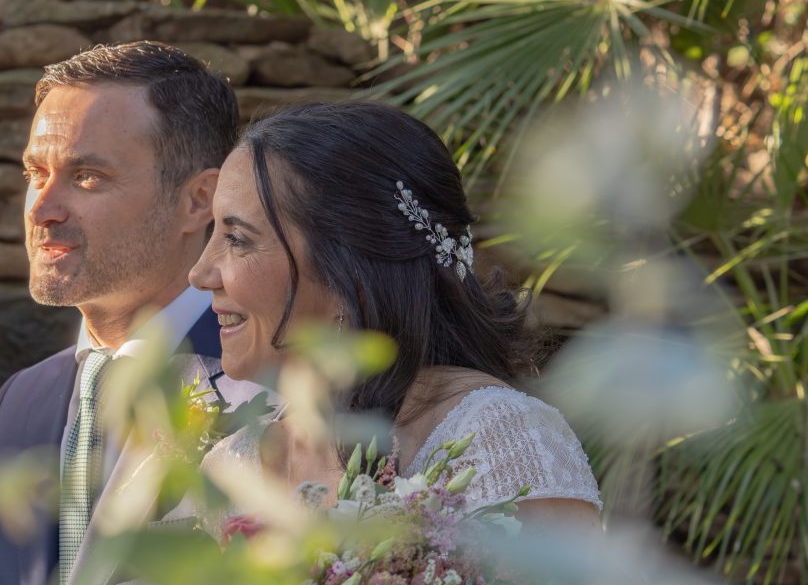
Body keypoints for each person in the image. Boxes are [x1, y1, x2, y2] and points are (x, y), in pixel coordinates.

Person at [0, 42, 263, 585]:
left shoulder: (266, 393)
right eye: (35, 173)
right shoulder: (18, 404)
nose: (41, 208)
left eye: (86, 176)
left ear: (199, 200)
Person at [187, 100, 602, 530]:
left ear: (345, 272)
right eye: (213, 233)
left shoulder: (499, 443)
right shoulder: (233, 469)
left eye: (237, 239)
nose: (199, 274)